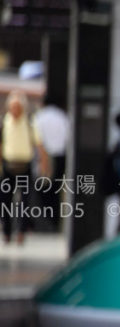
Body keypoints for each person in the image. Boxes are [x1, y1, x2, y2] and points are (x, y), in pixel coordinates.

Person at [1, 91, 49, 245]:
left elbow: (39, 145)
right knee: (5, 200)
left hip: (25, 166)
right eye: (12, 107)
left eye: (18, 107)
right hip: (8, 165)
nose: (15, 110)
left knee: (24, 202)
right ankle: (7, 231)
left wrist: (44, 164)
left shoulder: (29, 122)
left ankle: (21, 231)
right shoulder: (4, 122)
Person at [34, 96, 69, 232]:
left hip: (44, 156)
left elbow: (37, 139)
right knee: (56, 190)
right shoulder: (62, 116)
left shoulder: (40, 117)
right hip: (60, 156)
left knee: (42, 190)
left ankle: (43, 221)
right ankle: (54, 221)